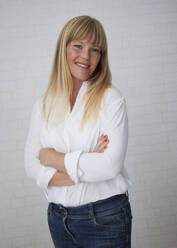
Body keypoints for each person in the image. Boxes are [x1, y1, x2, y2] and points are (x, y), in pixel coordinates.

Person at [24, 15, 132, 248]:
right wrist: (87, 160)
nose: (86, 56)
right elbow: (31, 165)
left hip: (104, 219)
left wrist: (52, 158)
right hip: (58, 219)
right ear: (63, 48)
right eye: (78, 46)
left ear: (101, 57)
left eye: (95, 49)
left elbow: (110, 166)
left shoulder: (111, 99)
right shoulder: (44, 104)